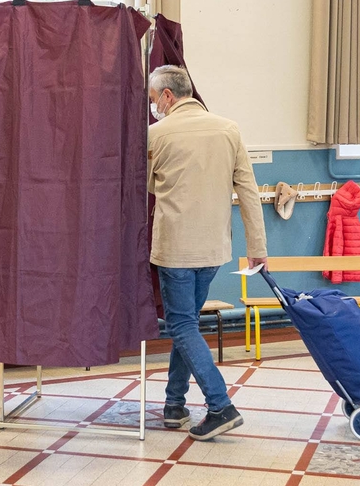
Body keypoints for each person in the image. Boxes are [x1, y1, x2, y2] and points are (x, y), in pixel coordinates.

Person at [147, 65, 267, 440]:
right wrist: (257, 248)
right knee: (189, 326)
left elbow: (148, 184)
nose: (154, 107)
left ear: (167, 96)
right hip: (215, 248)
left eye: (153, 100)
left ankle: (221, 405)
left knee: (181, 325)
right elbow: (248, 190)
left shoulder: (156, 134)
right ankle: (174, 404)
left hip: (175, 248)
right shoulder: (228, 129)